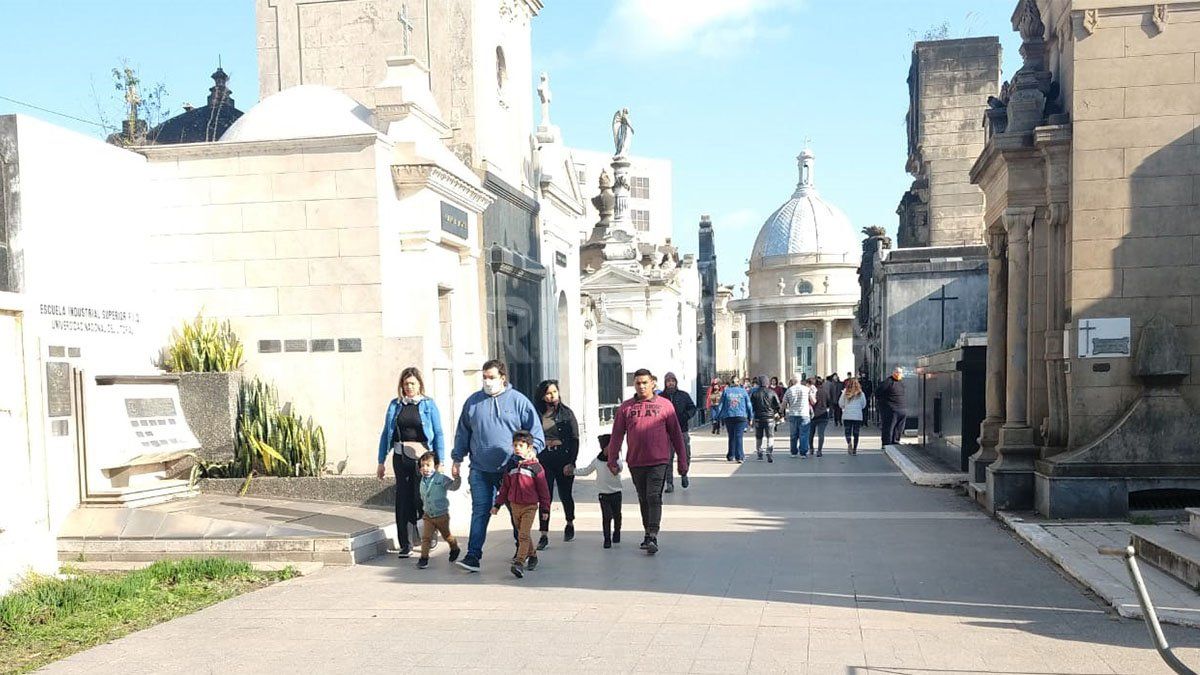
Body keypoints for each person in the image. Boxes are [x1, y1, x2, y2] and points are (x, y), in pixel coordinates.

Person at [451, 360, 545, 574]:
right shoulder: (473, 403)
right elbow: (463, 432)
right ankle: (473, 556)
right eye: (484, 377)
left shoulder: (518, 401)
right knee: (480, 511)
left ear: (503, 377)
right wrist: (457, 458)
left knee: (517, 515)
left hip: (511, 471)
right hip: (480, 469)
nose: (487, 381)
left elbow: (536, 432)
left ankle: (525, 553)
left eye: (491, 377)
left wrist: (533, 452)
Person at [606, 369, 688, 555]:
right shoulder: (626, 408)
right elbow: (617, 436)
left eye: (645, 382)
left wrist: (682, 461)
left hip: (659, 460)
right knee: (643, 498)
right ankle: (647, 532)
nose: (641, 386)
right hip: (636, 461)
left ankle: (653, 534)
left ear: (653, 383)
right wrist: (612, 459)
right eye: (638, 383)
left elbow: (676, 434)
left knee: (653, 496)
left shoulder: (665, 405)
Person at [376, 367, 445, 559]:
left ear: (419, 384)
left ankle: (429, 532)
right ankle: (405, 543)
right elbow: (386, 433)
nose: (409, 387)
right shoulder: (395, 405)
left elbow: (438, 433)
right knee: (403, 499)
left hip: (423, 458)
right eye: (406, 384)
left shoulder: (428, 405)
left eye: (412, 383)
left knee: (420, 497)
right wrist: (381, 461)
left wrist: (440, 460)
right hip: (401, 456)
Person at [492, 431, 551, 579]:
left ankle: (519, 563)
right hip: (514, 506)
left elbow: (544, 490)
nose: (517, 448)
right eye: (515, 445)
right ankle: (533, 555)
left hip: (530, 506)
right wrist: (497, 504)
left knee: (523, 535)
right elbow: (505, 487)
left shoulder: (536, 467)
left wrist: (545, 508)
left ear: (529, 447)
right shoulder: (510, 465)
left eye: (521, 445)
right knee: (522, 533)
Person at [533, 379, 580, 550]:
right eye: (548, 393)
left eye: (554, 392)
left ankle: (569, 522)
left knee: (565, 494)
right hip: (544, 460)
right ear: (542, 395)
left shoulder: (567, 413)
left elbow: (575, 439)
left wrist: (571, 462)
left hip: (563, 459)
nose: (552, 396)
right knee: (545, 498)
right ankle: (544, 533)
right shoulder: (536, 413)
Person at [570, 434, 623, 549]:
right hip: (603, 494)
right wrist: (573, 471)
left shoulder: (617, 459)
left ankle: (617, 532)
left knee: (617, 515)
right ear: (604, 448)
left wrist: (615, 468)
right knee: (607, 516)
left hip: (616, 493)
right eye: (609, 447)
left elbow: (620, 468)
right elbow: (586, 471)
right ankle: (607, 539)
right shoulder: (597, 461)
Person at [415, 451, 461, 569]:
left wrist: (457, 478)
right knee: (426, 538)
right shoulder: (422, 481)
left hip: (441, 515)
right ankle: (424, 558)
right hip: (428, 515)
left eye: (428, 465)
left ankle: (454, 547)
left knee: (447, 536)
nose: (425, 468)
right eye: (422, 465)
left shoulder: (441, 479)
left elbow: (454, 487)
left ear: (435, 466)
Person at [660, 372, 697, 492]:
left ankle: (684, 473)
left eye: (672, 381)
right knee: (667, 458)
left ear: (676, 382)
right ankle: (669, 483)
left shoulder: (683, 395)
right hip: (667, 433)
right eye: (668, 381)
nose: (670, 383)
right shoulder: (661, 397)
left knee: (685, 455)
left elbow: (692, 408)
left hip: (682, 430)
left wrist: (685, 416)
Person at [715, 377, 752, 463]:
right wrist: (750, 416)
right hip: (741, 416)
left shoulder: (726, 391)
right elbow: (749, 404)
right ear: (738, 383)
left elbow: (721, 405)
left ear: (730, 382)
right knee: (739, 436)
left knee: (731, 435)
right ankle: (739, 456)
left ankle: (731, 455)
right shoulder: (743, 391)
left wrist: (717, 416)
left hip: (729, 416)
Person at [749, 376, 782, 463]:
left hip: (758, 418)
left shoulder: (754, 393)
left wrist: (751, 416)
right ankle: (769, 450)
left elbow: (751, 405)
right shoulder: (772, 392)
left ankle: (759, 452)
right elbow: (778, 405)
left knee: (759, 436)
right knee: (770, 435)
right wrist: (779, 414)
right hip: (769, 418)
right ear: (767, 383)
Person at [783, 376, 815, 457]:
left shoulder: (789, 390)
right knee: (804, 434)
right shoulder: (806, 389)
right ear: (800, 380)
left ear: (793, 381)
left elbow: (784, 403)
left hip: (793, 414)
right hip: (804, 414)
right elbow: (813, 401)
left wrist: (780, 411)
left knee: (793, 434)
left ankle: (793, 452)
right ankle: (803, 453)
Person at [878, 366, 907, 446]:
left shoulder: (901, 383)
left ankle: (896, 441)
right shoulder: (887, 382)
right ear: (893, 372)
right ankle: (887, 443)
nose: (899, 374)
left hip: (902, 409)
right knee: (889, 427)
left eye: (900, 373)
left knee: (899, 428)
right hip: (891, 410)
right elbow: (878, 393)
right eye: (897, 372)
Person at [838, 378, 867, 455]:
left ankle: (849, 443)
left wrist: (845, 407)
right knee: (856, 432)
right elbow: (864, 405)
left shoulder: (845, 393)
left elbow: (841, 404)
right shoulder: (861, 394)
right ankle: (854, 449)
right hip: (857, 416)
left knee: (847, 431)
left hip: (847, 415)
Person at [808, 377, 830, 457]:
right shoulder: (825, 391)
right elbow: (828, 401)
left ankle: (811, 449)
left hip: (813, 415)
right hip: (823, 414)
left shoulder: (813, 391)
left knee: (811, 433)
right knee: (821, 434)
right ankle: (819, 450)